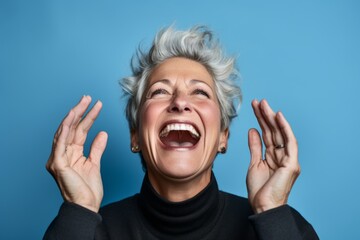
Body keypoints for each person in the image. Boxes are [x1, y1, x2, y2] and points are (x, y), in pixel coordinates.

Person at [44, 26, 318, 239]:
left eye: (199, 92)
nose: (180, 102)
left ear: (223, 137)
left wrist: (273, 215)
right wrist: (77, 212)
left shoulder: (277, 226)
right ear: (135, 136)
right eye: (160, 91)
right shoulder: (89, 230)